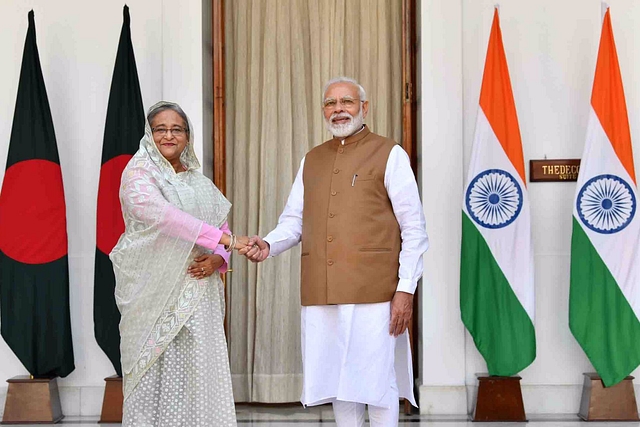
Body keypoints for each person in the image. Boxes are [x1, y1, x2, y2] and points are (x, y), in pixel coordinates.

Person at [241, 77, 429, 427]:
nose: (338, 109)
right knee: (338, 380)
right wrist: (268, 244)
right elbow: (294, 221)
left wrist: (405, 289)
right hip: (322, 289)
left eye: (347, 102)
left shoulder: (390, 153)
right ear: (323, 110)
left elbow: (414, 229)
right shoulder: (311, 159)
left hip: (375, 290)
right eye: (330, 103)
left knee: (376, 380)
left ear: (364, 108)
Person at [110, 101, 244, 426]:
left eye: (177, 129)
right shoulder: (139, 174)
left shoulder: (200, 182)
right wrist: (228, 242)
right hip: (152, 294)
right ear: (149, 133)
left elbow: (222, 227)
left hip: (199, 293)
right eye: (161, 129)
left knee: (199, 366)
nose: (169, 135)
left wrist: (218, 257)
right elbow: (167, 218)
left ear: (187, 136)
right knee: (153, 369)